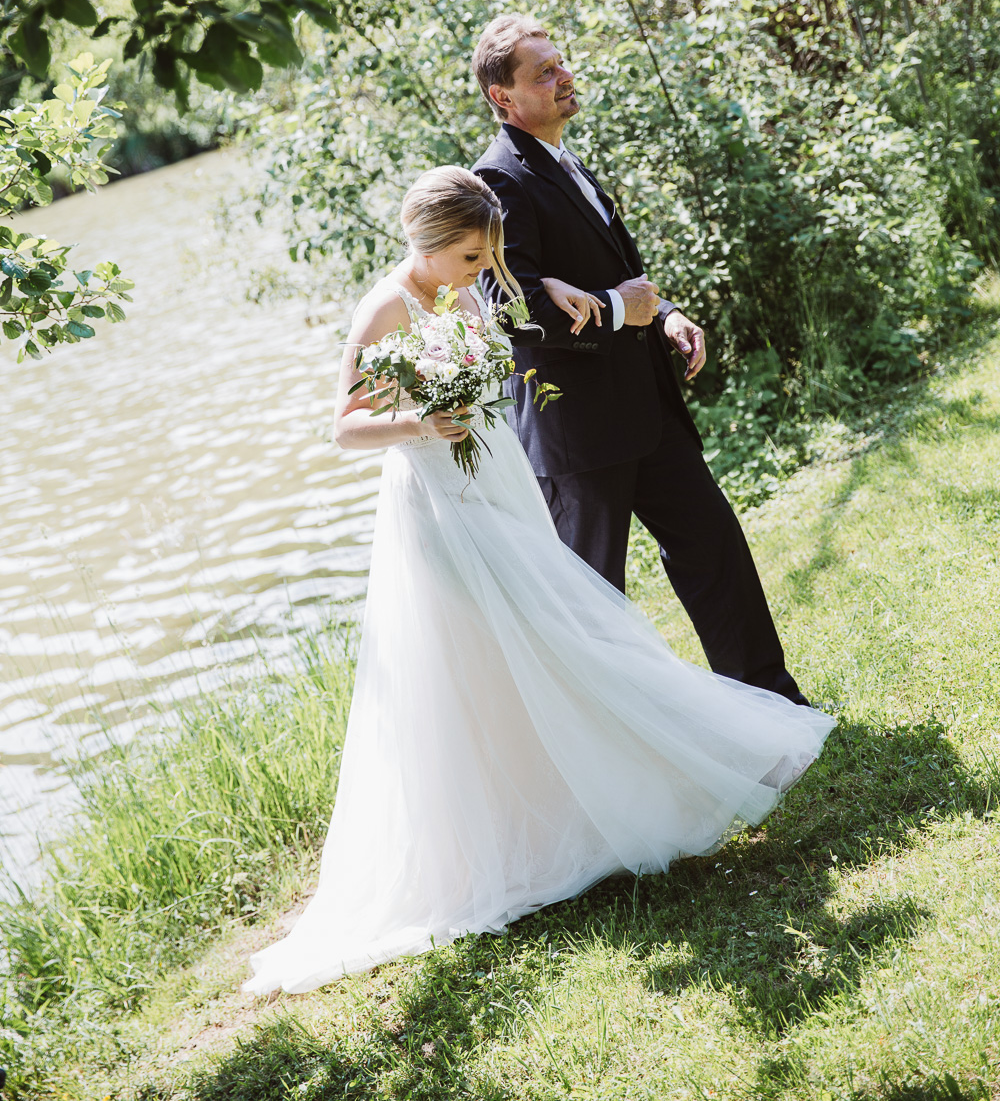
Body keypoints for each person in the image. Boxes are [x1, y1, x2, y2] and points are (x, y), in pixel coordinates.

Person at [242, 167, 834, 996]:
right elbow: (343, 426)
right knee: (497, 651)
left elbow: (526, 322)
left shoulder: (483, 284)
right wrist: (423, 420)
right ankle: (512, 827)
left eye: (492, 253)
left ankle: (581, 797)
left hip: (503, 482)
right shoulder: (385, 309)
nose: (485, 268)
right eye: (472, 254)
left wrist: (556, 289)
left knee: (548, 635)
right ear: (427, 244)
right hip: (440, 506)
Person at [471, 15, 807, 705]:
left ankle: (775, 709)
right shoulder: (498, 181)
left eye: (561, 64)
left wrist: (669, 315)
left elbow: (620, 273)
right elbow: (514, 308)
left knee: (714, 549)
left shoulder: (562, 159)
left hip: (647, 409)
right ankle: (606, 760)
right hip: (582, 436)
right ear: (503, 98)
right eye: (544, 73)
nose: (565, 78)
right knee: (594, 605)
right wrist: (623, 311)